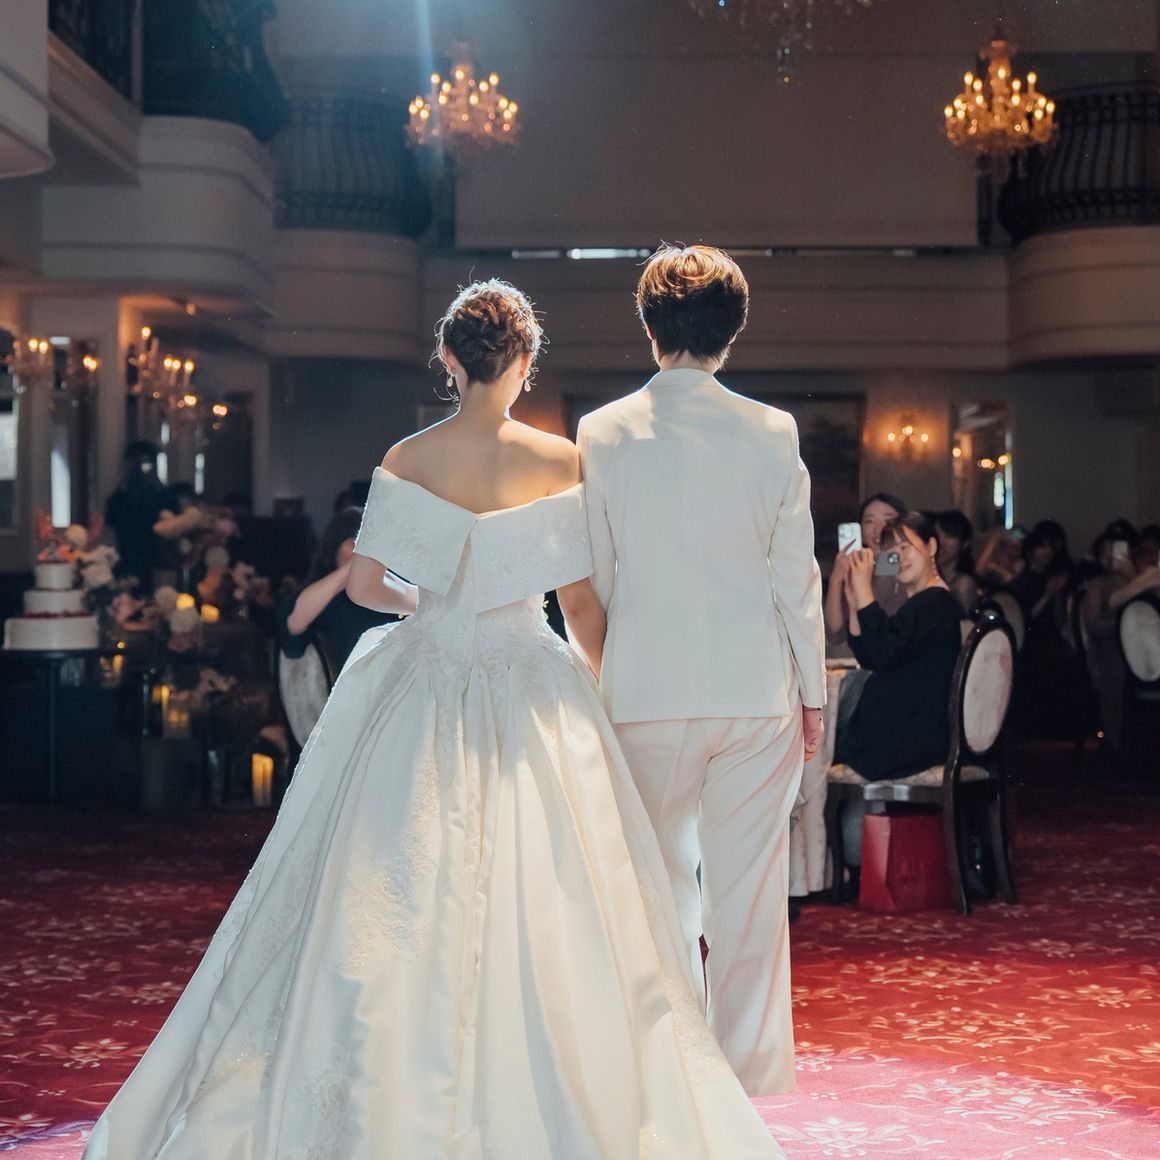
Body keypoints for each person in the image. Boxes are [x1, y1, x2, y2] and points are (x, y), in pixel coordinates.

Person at [82, 280, 785, 1160]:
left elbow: (368, 586)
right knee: (561, 886)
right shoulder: (559, 458)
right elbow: (580, 607)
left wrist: (434, 600)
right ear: (524, 363)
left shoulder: (409, 457)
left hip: (425, 673)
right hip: (531, 678)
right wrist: (607, 694)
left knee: (389, 877)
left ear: (450, 359)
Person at [578, 243, 826, 1097]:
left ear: (649, 325)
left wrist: (616, 671)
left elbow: (596, 579)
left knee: (655, 891)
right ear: (734, 329)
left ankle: (669, 1076)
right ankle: (744, 1086)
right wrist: (813, 694)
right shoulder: (772, 430)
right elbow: (795, 579)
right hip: (755, 691)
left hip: (643, 690)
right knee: (747, 899)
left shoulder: (601, 432)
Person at [833, 511, 962, 782]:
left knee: (817, 740)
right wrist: (854, 599)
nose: (898, 557)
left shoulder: (936, 601)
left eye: (905, 547)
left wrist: (865, 590)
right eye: (891, 551)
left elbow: (880, 650)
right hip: (903, 733)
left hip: (907, 739)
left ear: (931, 547)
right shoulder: (924, 602)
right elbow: (870, 656)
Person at [275, 505, 395, 679]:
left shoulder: (391, 591)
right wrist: (352, 569)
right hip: (353, 689)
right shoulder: (325, 599)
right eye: (355, 540)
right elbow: (291, 626)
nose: (363, 550)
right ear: (334, 546)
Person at [1081, 521, 1138, 756]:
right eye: (1105, 548)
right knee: (1115, 672)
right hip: (1110, 653)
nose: (1109, 554)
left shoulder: (1141, 579)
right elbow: (1092, 624)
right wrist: (1122, 624)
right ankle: (1116, 743)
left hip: (1140, 651)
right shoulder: (1098, 585)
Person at [823, 491, 909, 646]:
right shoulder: (856, 570)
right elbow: (834, 634)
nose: (879, 529)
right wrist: (836, 579)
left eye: (889, 520)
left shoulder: (910, 567)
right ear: (861, 530)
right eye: (870, 521)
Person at [103, 440, 173, 592]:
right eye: (135, 463)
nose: (140, 469)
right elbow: (110, 519)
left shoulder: (162, 495)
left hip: (155, 562)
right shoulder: (122, 495)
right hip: (125, 559)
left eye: (145, 463)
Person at [933, 508, 980, 619]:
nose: (940, 542)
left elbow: (965, 624)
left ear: (964, 543)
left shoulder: (963, 584)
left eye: (949, 536)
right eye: (937, 535)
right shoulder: (928, 576)